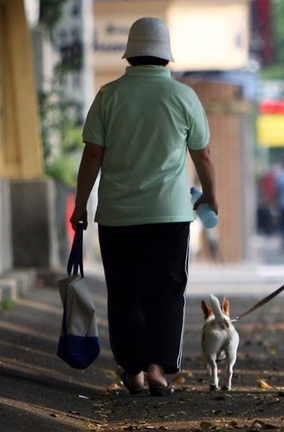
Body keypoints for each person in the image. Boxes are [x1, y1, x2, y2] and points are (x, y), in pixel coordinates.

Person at [69, 17, 216, 397]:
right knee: (167, 292)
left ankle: (131, 370)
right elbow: (203, 155)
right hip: (169, 215)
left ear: (130, 53)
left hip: (118, 215)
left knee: (124, 291)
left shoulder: (109, 95)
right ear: (165, 55)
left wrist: (82, 203)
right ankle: (157, 369)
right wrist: (210, 196)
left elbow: (92, 156)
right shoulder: (184, 97)